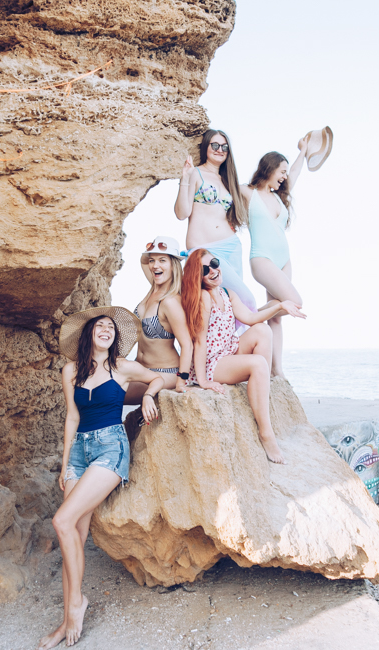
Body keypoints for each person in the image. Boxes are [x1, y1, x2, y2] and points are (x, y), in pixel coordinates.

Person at [39, 308, 164, 650]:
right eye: (100, 326)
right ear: (89, 334)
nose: (106, 329)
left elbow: (157, 378)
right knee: (74, 535)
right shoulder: (70, 371)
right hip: (79, 452)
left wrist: (148, 395)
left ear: (115, 337)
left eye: (111, 326)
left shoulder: (122, 367)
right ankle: (66, 619)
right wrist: (65, 464)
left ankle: (76, 605)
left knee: (61, 521)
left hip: (110, 448)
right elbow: (72, 417)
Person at [180, 249, 305, 464]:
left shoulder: (227, 293)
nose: (213, 271)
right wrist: (203, 381)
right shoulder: (204, 298)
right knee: (258, 363)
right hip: (213, 363)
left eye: (214, 264)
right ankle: (266, 433)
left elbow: (251, 318)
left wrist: (279, 306)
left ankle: (260, 384)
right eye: (204, 270)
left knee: (262, 330)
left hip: (229, 351)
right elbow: (199, 342)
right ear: (197, 277)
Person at [238, 138, 308, 379]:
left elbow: (296, 171)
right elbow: (223, 181)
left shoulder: (280, 195)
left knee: (277, 322)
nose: (285, 177)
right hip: (262, 258)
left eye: (286, 173)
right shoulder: (248, 192)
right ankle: (248, 317)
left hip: (284, 260)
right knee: (294, 302)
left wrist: (304, 150)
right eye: (282, 171)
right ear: (269, 168)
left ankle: (276, 370)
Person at [174, 129, 257, 319]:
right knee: (246, 300)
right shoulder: (195, 173)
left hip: (231, 247)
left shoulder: (228, 180)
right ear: (206, 147)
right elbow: (182, 213)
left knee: (229, 304)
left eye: (224, 147)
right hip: (204, 250)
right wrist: (184, 179)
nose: (220, 150)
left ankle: (233, 337)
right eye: (215, 145)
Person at [127, 236, 192, 401]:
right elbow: (143, 261)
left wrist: (181, 380)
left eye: (162, 260)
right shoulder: (155, 286)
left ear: (173, 265)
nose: (155, 265)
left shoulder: (171, 301)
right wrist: (153, 251)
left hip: (164, 372)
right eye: (152, 260)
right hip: (140, 368)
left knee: (111, 393)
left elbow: (187, 344)